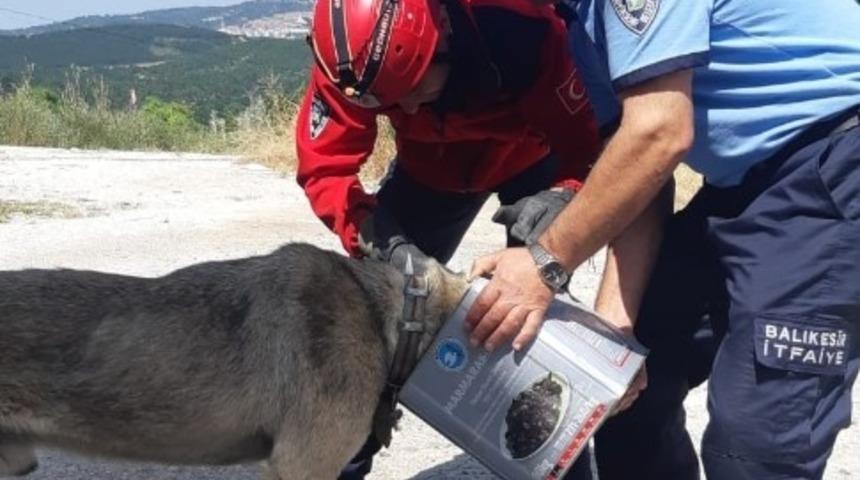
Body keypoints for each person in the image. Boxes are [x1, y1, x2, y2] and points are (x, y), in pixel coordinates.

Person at [467, 0, 860, 478]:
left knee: (755, 445)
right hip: (746, 187)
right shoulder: (579, 22)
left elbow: (659, 132)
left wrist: (545, 262)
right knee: (623, 386)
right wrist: (615, 329)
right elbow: (638, 168)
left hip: (834, 163)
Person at [295, 0, 616, 477]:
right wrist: (375, 233)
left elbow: (591, 144)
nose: (405, 107)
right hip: (431, 171)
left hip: (533, 161)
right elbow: (325, 168)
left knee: (528, 328)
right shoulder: (350, 60)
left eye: (411, 88)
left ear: (443, 31)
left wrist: (565, 197)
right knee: (370, 336)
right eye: (387, 101)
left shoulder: (522, 28)